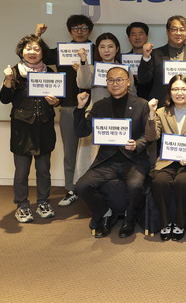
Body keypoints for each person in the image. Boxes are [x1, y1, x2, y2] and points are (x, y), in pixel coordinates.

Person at [73, 67, 150, 239]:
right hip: (107, 160)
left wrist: (137, 144)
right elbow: (82, 132)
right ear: (106, 83)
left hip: (133, 160)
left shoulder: (142, 104)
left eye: (119, 80)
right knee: (81, 186)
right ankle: (106, 212)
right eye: (111, 80)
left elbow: (149, 135)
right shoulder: (100, 106)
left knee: (135, 185)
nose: (115, 84)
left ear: (128, 82)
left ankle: (129, 219)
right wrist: (80, 108)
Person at [0, 35, 60, 222]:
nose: (32, 52)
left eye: (36, 49)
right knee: (21, 172)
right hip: (22, 130)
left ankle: (43, 202)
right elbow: (4, 99)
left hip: (44, 127)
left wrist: (56, 102)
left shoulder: (50, 72)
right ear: (21, 51)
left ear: (42, 52)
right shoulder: (14, 72)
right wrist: (7, 80)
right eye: (28, 48)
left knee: (43, 170)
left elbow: (60, 97)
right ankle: (22, 206)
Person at [35, 15, 94, 207]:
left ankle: (92, 187)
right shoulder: (63, 51)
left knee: (93, 150)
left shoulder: (97, 50)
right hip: (69, 106)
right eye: (75, 28)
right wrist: (37, 35)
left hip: (94, 106)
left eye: (84, 28)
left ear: (89, 31)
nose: (80, 32)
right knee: (70, 150)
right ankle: (70, 188)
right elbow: (42, 54)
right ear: (70, 31)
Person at [146, 75, 186, 241]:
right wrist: (151, 113)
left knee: (182, 181)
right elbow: (151, 137)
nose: (179, 93)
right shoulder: (161, 112)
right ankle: (165, 223)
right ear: (169, 92)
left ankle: (180, 223)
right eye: (175, 89)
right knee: (159, 181)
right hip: (167, 161)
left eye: (184, 89)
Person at [75, 33, 136, 182]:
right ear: (98, 50)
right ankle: (86, 185)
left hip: (119, 118)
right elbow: (83, 83)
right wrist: (83, 61)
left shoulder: (124, 70)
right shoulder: (91, 68)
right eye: (102, 47)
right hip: (95, 116)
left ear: (117, 49)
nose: (106, 50)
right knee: (90, 155)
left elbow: (133, 92)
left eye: (110, 46)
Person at [138, 15, 186, 107]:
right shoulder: (154, 54)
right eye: (174, 29)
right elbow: (143, 79)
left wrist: (185, 90)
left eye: (182, 30)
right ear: (167, 31)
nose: (178, 33)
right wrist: (146, 57)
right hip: (161, 105)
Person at [126, 21, 151, 100]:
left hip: (149, 99)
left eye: (140, 34)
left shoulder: (155, 58)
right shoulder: (123, 59)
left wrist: (144, 78)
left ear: (146, 36)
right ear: (129, 38)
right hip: (128, 100)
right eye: (133, 34)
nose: (137, 38)